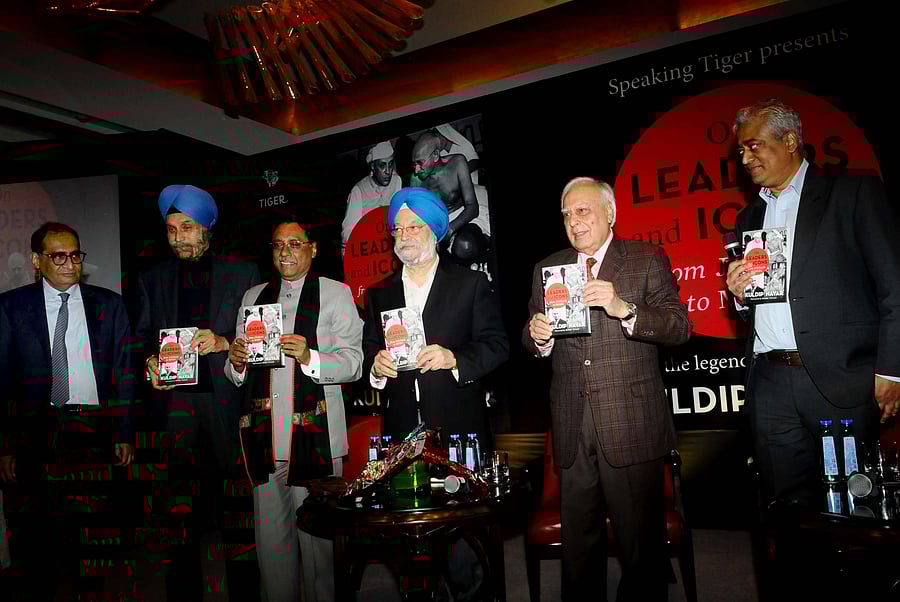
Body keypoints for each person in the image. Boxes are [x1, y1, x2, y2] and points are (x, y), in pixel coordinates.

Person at [725, 98, 900, 508]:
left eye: (754, 146)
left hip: (841, 381)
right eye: (740, 150)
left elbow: (894, 286)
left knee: (854, 507)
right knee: (785, 512)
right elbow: (761, 303)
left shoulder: (853, 193)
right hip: (770, 385)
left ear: (790, 141)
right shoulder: (748, 218)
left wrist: (891, 372)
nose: (745, 157)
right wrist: (739, 295)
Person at [524, 178, 690, 601]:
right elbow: (529, 337)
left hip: (630, 422)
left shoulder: (644, 259)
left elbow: (679, 326)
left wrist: (624, 309)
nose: (573, 222)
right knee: (579, 549)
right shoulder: (549, 268)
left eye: (583, 211)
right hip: (572, 425)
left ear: (610, 213)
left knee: (641, 548)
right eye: (566, 214)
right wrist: (537, 337)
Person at [363, 187, 508, 600]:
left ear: (437, 232)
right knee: (412, 547)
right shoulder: (379, 293)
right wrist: (376, 366)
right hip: (402, 437)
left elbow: (497, 346)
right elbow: (370, 349)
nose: (404, 236)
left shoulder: (470, 284)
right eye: (397, 230)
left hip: (459, 430)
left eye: (414, 226)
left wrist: (454, 358)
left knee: (464, 547)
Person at [134, 184, 261, 602]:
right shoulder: (151, 277)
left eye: (186, 228)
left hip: (227, 403)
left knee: (238, 515)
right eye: (171, 230)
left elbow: (257, 337)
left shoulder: (242, 273)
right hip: (177, 409)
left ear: (206, 227)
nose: (178, 238)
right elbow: (142, 338)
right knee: (178, 514)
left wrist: (224, 341)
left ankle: (245, 594)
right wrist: (151, 362)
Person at [226, 217, 363, 602]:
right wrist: (236, 361)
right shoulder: (253, 297)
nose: (285, 251)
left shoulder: (335, 293)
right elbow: (236, 372)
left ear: (313, 248)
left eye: (294, 243)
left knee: (319, 548)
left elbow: (354, 363)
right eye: (277, 245)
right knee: (271, 547)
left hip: (316, 439)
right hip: (265, 440)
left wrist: (310, 356)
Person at [0, 222, 135, 600]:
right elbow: (3, 382)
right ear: (36, 261)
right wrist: (5, 445)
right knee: (36, 538)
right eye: (57, 255)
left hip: (92, 429)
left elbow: (124, 373)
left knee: (92, 535)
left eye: (75, 255)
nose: (68, 263)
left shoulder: (109, 305)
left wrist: (124, 433)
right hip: (35, 433)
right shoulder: (11, 308)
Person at [410, 133, 491, 262]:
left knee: (464, 245)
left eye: (420, 163)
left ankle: (486, 245)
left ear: (436, 155)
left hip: (465, 217)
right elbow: (420, 218)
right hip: (439, 226)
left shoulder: (457, 163)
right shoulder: (415, 179)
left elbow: (472, 208)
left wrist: (450, 229)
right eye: (414, 164)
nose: (416, 170)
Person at [341, 140, 402, 254]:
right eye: (382, 165)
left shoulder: (397, 181)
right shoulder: (358, 190)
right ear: (373, 167)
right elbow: (348, 234)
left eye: (390, 164)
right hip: (367, 250)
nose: (388, 171)